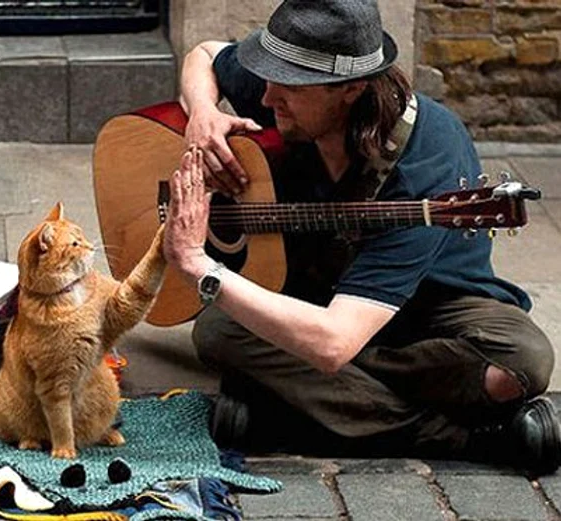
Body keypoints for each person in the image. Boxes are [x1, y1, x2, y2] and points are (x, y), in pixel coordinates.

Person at [161, 0, 561, 474]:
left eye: (287, 85)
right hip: (314, 287)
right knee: (220, 330)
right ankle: (466, 436)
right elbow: (204, 54)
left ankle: (287, 411)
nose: (267, 99)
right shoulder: (289, 87)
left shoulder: (426, 163)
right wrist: (202, 113)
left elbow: (334, 343)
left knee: (520, 362)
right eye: (268, 77)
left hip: (429, 303)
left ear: (352, 88)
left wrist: (197, 264)